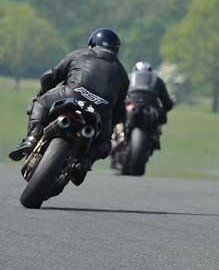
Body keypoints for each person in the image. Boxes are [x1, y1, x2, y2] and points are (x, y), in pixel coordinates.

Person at [8, 28, 129, 181]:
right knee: (104, 144)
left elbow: (51, 75)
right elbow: (120, 110)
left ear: (92, 43)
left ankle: (31, 139)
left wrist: (44, 92)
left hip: (71, 95)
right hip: (99, 110)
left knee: (39, 103)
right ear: (115, 49)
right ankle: (84, 163)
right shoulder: (122, 73)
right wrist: (112, 123)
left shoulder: (78, 54)